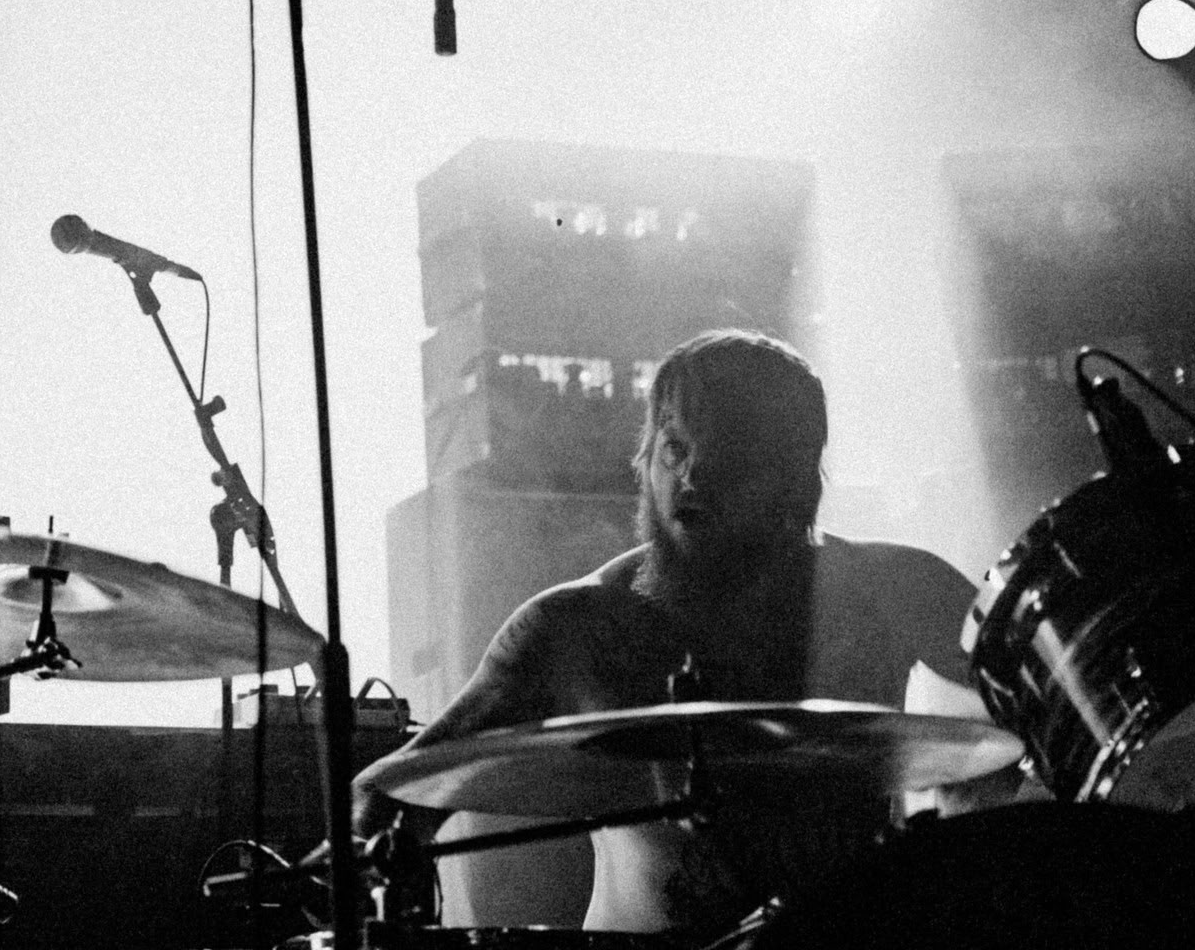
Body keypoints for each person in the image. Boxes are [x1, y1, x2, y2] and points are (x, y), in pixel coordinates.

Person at [352, 329, 999, 942]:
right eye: (676, 449)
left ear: (796, 478)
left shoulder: (895, 591)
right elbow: (388, 797)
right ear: (646, 456)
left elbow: (1053, 715)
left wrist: (971, 814)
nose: (693, 479)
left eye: (729, 457)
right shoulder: (573, 630)